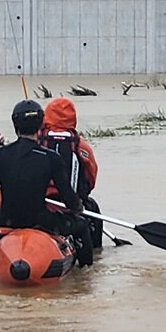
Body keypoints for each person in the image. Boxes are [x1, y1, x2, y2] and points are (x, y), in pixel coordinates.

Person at [0, 99, 93, 266]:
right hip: (40, 222)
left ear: (15, 125)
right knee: (81, 225)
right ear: (41, 125)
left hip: (8, 220)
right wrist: (78, 208)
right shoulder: (52, 158)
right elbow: (69, 199)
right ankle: (86, 272)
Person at [42, 97, 104, 248]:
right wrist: (81, 197)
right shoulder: (81, 146)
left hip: (41, 204)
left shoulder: (36, 141)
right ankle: (95, 249)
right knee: (94, 209)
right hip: (71, 205)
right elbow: (91, 178)